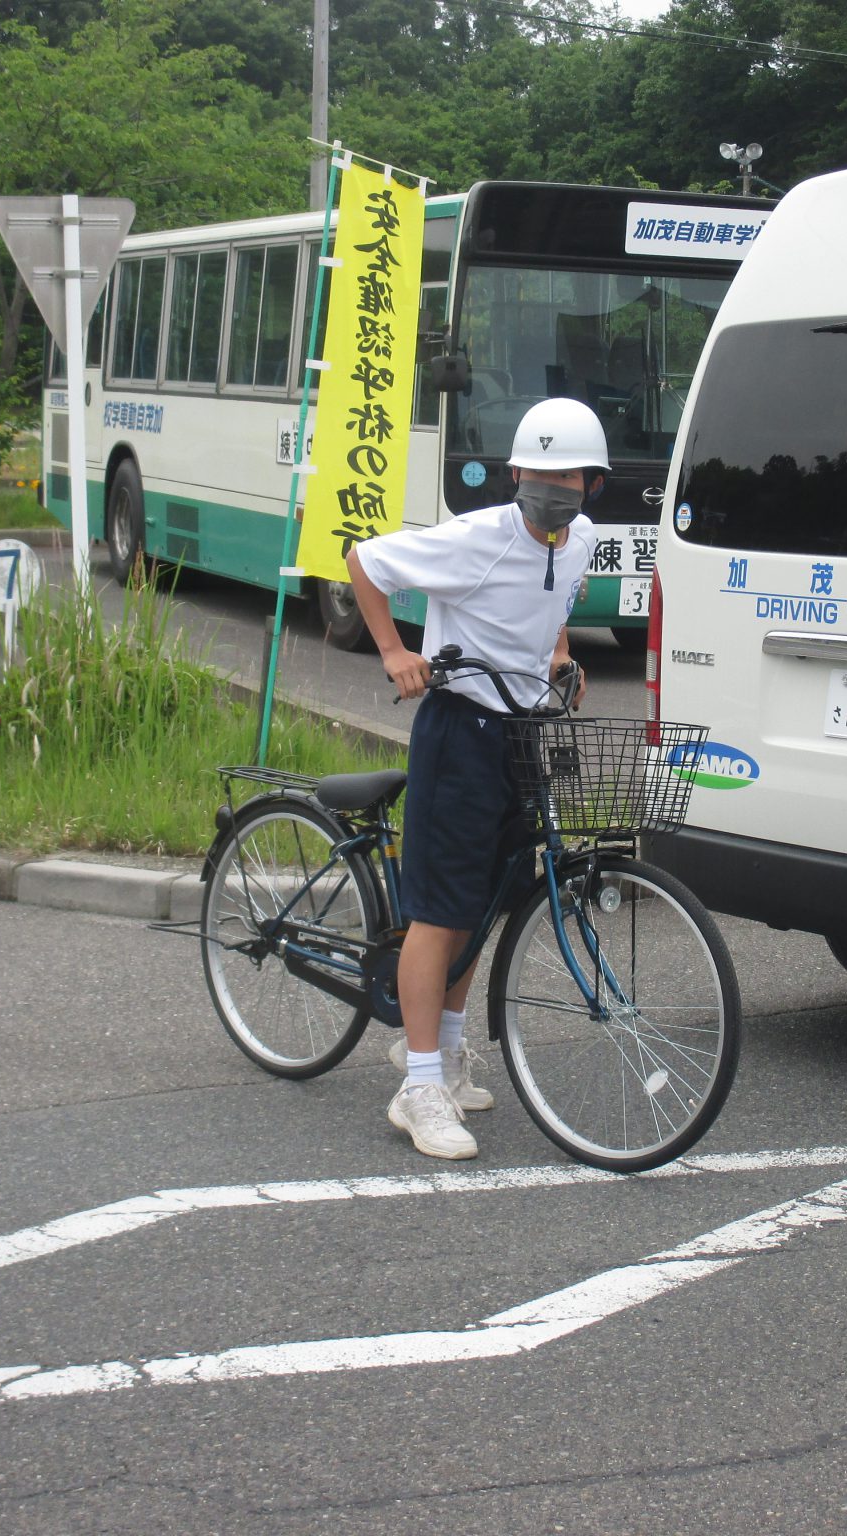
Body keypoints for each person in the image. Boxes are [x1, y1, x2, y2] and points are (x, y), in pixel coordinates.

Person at [345, 397, 606, 1160]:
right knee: (439, 908)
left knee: (486, 901)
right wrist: (394, 652)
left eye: (573, 477)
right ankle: (417, 1086)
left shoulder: (581, 537)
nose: (557, 491)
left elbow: (555, 593)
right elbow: (365, 561)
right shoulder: (475, 539)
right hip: (461, 731)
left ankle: (448, 1056)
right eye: (543, 474)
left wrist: (557, 652)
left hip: (523, 734)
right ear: (517, 472)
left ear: (593, 483)